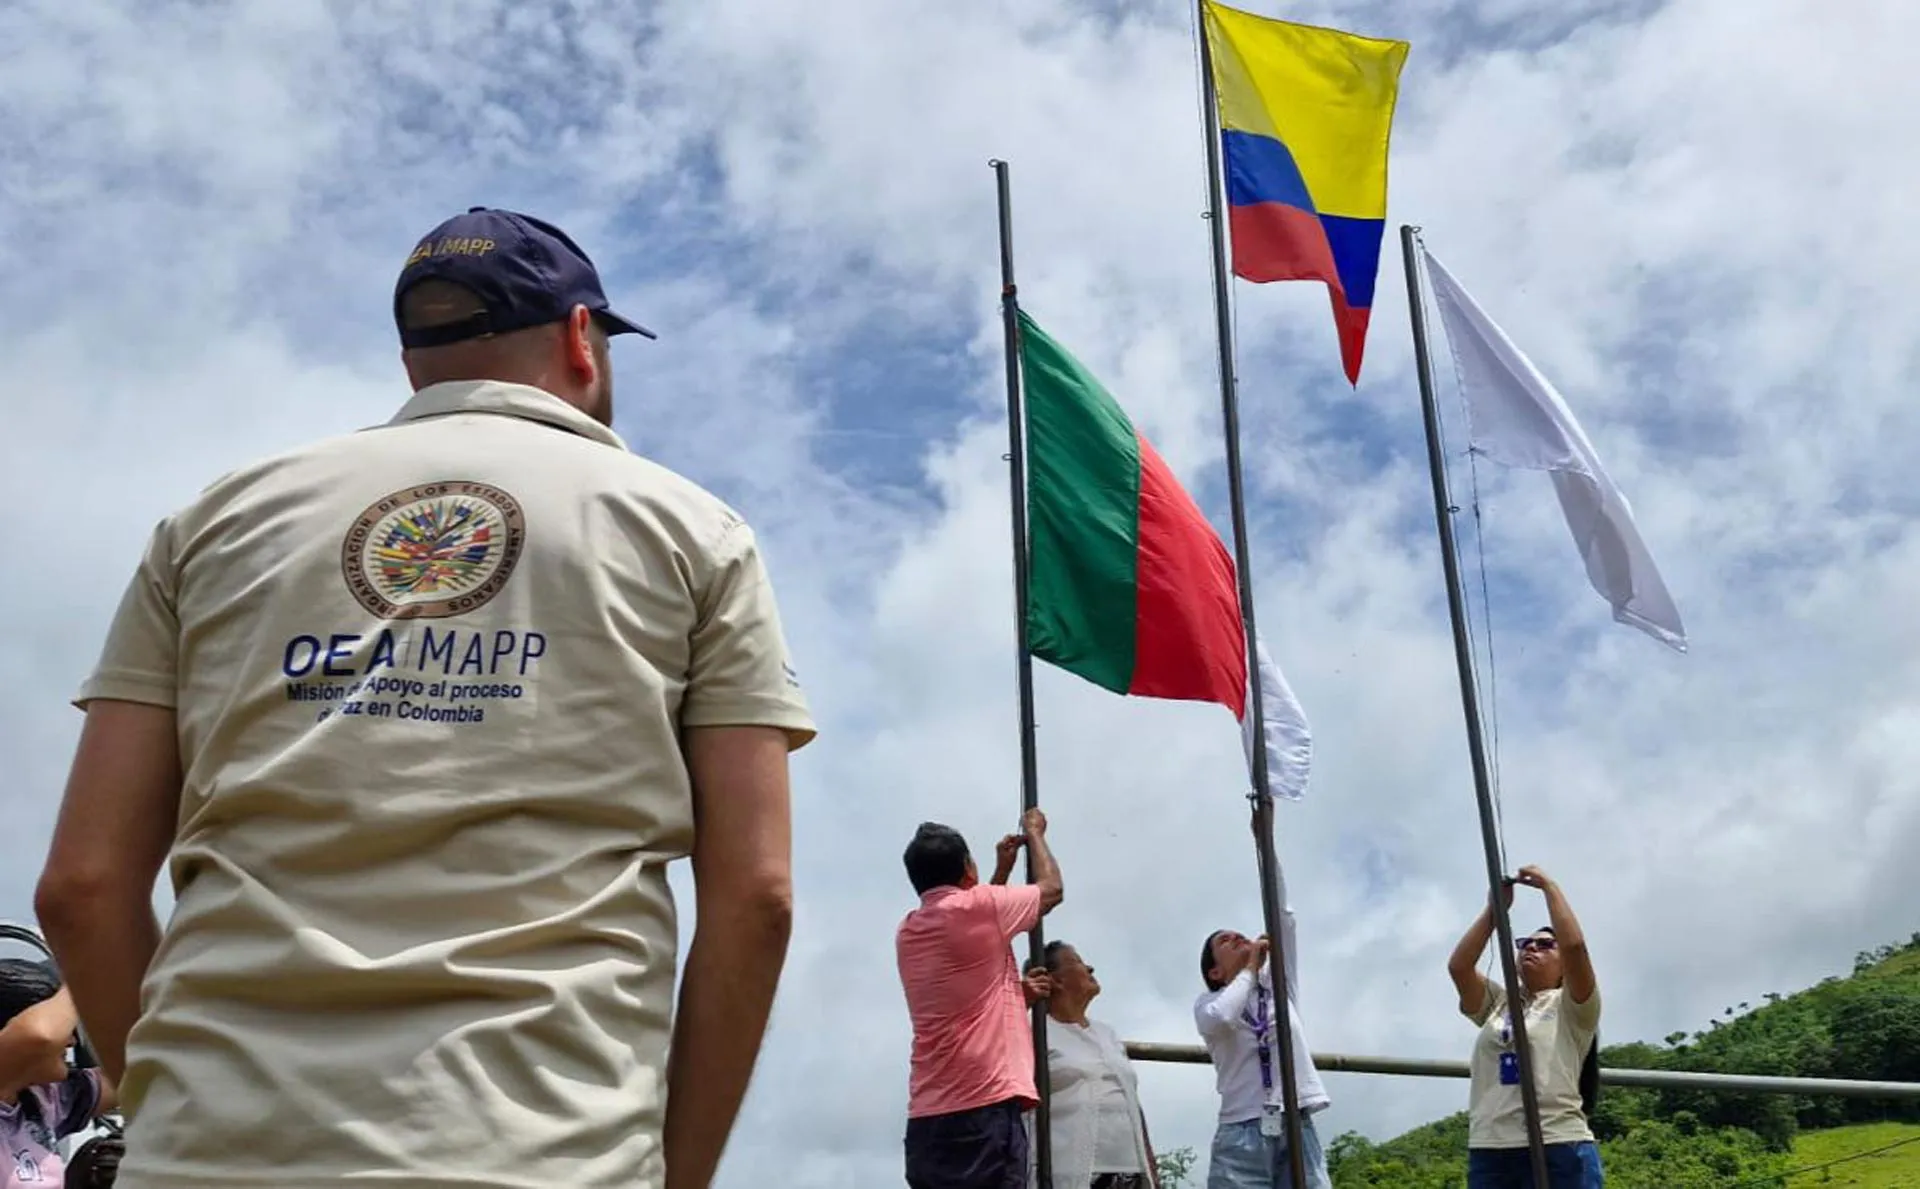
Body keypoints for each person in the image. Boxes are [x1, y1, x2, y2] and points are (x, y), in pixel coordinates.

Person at [34, 207, 816, 1189]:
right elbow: (756, 898)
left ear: (414, 362)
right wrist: (680, 1172)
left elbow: (84, 886)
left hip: (209, 1152)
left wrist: (172, 1109)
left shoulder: (217, 521)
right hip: (544, 1154)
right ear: (584, 339)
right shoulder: (695, 532)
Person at [896, 809, 1065, 1189]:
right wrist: (1035, 834)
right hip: (983, 1108)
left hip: (928, 1119)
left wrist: (1000, 873)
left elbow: (976, 957)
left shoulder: (909, 931)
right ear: (967, 868)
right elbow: (1051, 890)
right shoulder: (980, 908)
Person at [1446, 865, 1604, 1188]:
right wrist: (1495, 912)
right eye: (1525, 943)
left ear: (1564, 967)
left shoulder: (1573, 1005)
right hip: (1492, 1149)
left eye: (1546, 945)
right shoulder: (1500, 1003)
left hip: (1558, 1145)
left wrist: (1548, 886)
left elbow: (1575, 949)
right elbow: (1460, 967)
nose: (1531, 948)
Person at [1023, 941, 1158, 1189]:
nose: (1090, 968)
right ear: (1055, 980)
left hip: (1130, 1171)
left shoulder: (1107, 1034)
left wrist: (1150, 1165)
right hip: (1068, 1172)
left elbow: (1131, 1102)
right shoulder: (1032, 1033)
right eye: (1077, 962)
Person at [0, 959, 118, 1187]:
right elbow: (40, 1034)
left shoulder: (47, 1100)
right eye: (65, 1028)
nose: (72, 1041)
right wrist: (84, 975)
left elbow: (132, 1076)